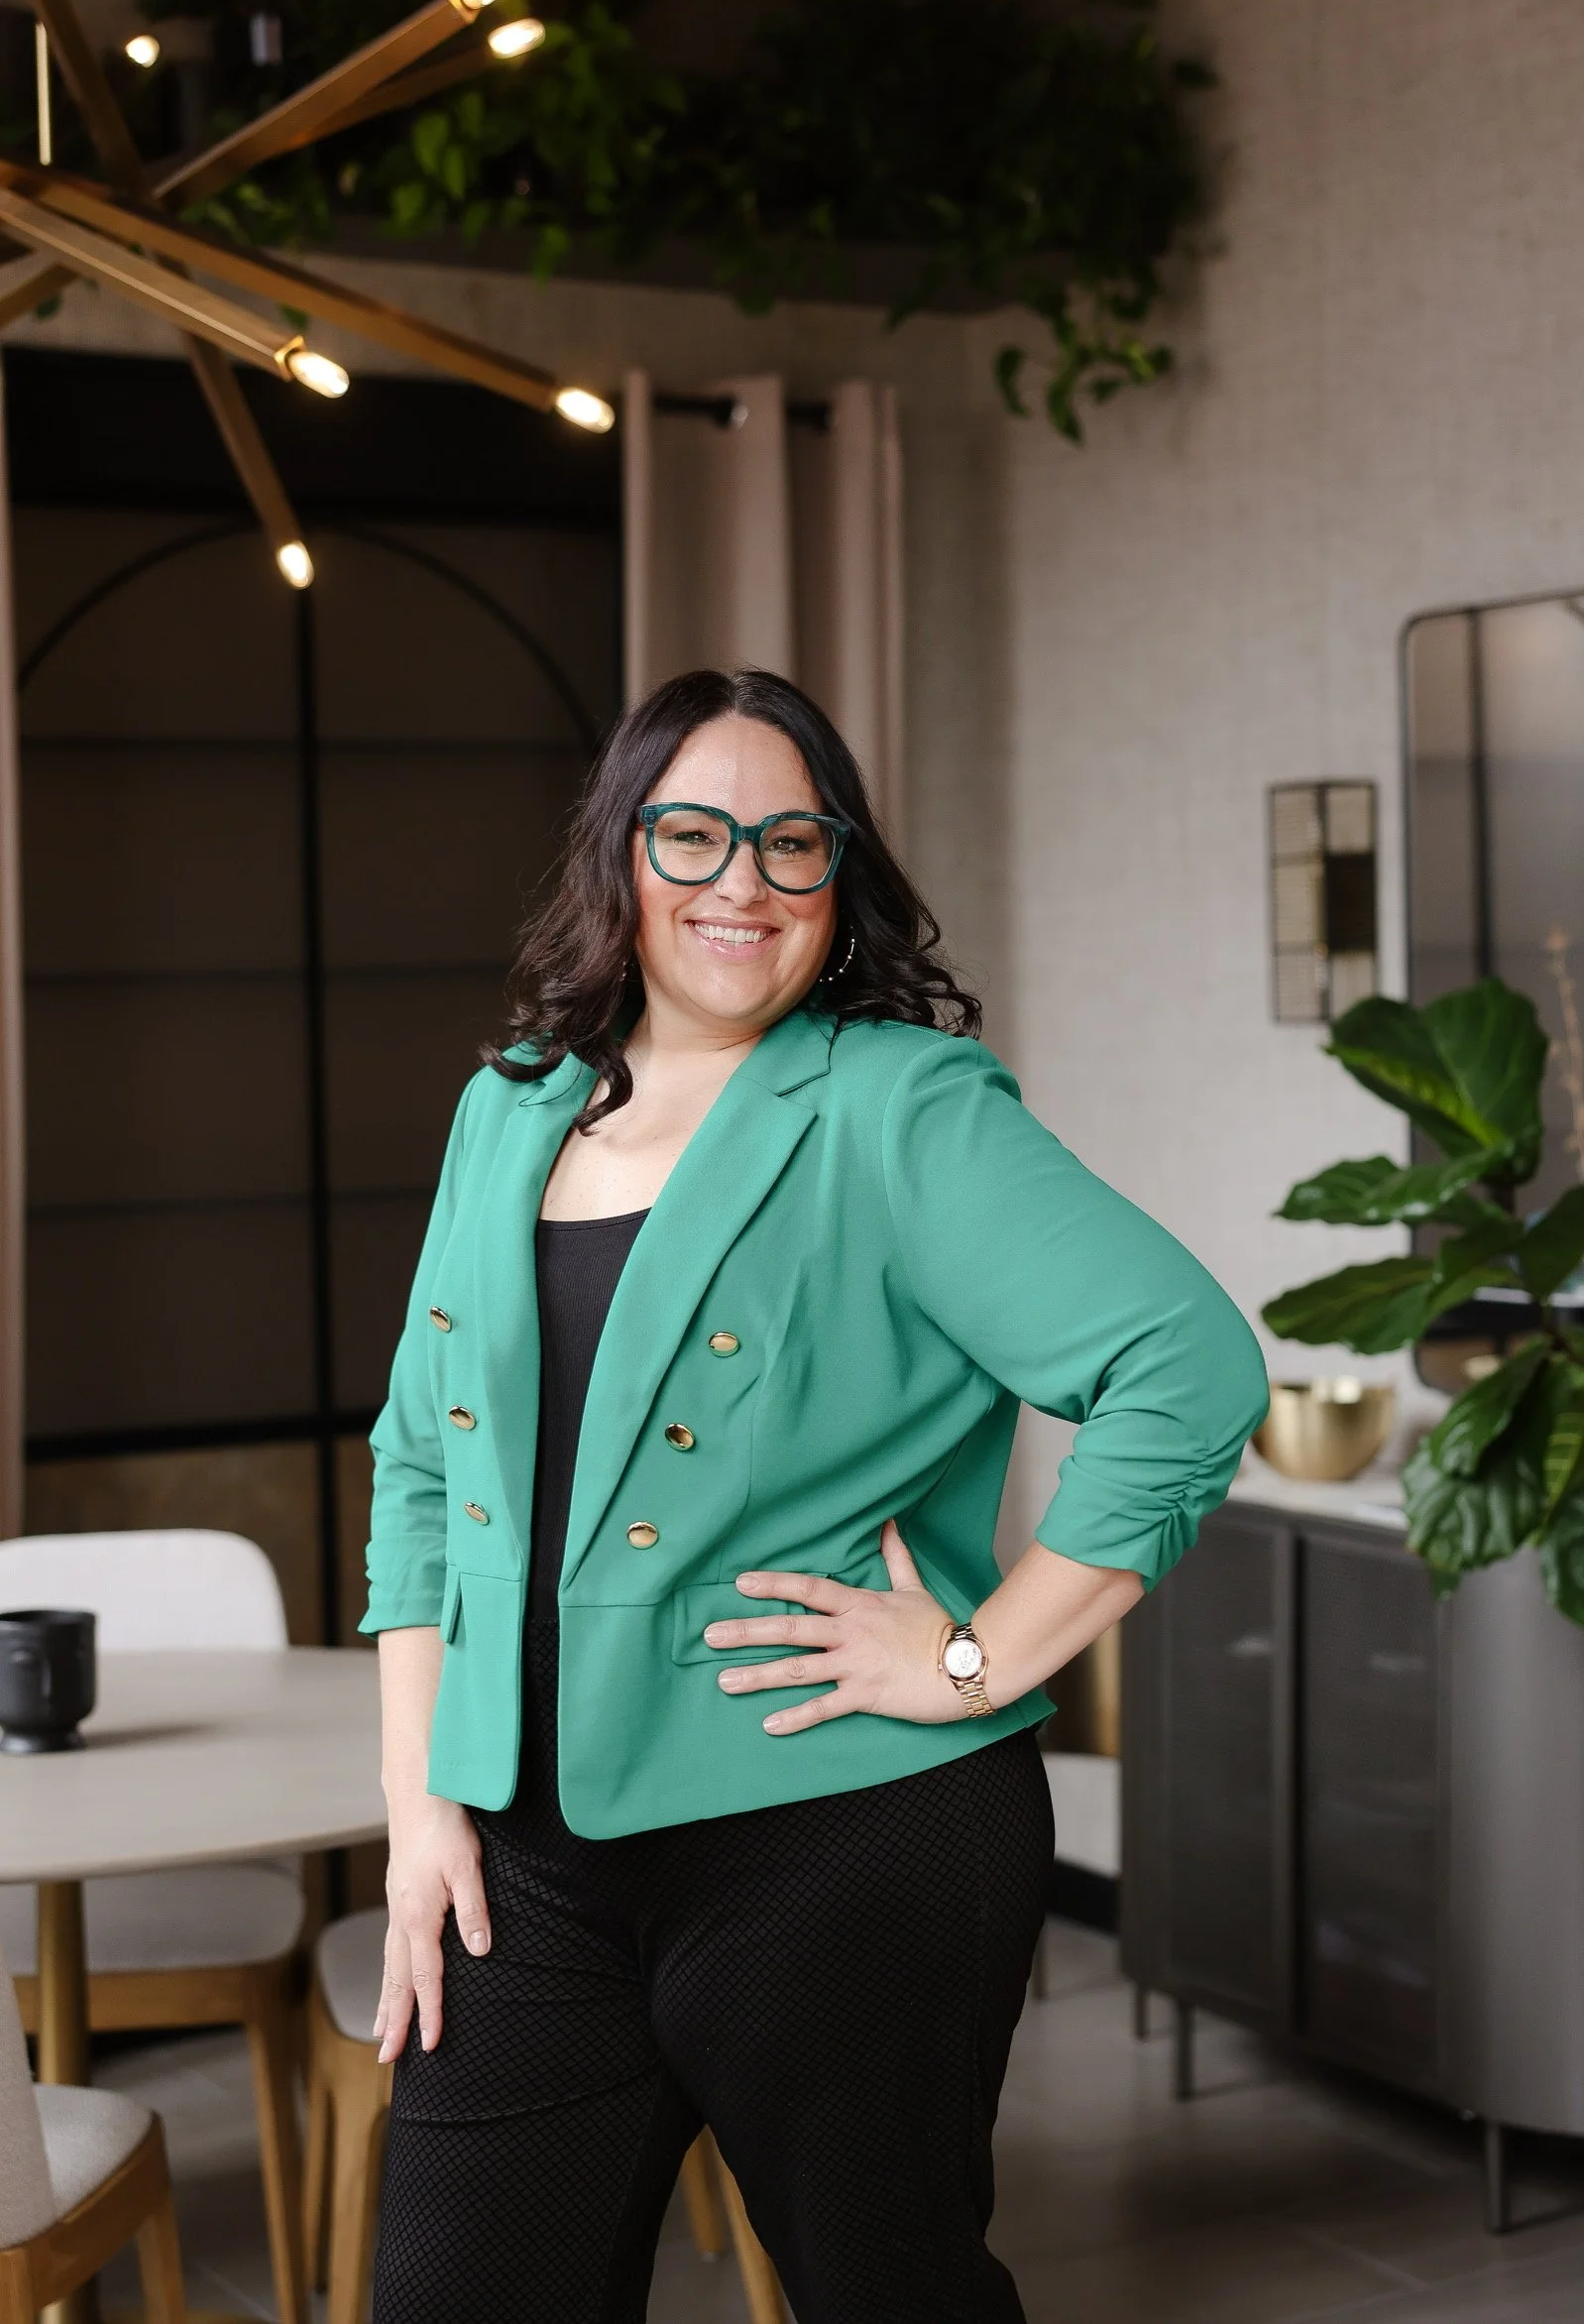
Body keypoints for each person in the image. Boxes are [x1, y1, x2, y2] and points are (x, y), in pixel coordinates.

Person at [362, 665, 1268, 2323]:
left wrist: (978, 1659)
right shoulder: (511, 1106)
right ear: (619, 853)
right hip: (521, 1858)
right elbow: (423, 1464)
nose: (744, 882)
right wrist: (420, 1808)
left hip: (842, 1837)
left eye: (792, 843)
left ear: (836, 876)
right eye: (693, 835)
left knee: (889, 2293)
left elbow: (1186, 1369)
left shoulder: (899, 1107)